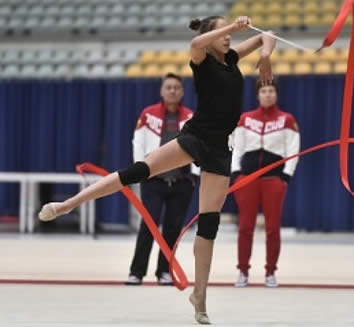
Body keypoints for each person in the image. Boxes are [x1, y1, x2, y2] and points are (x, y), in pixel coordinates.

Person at [39, 15, 276, 325]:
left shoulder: (231, 59)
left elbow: (267, 35)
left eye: (229, 31)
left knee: (209, 223)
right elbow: (194, 43)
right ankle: (67, 205)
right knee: (138, 170)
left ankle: (200, 294)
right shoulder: (201, 59)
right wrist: (233, 27)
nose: (229, 36)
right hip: (196, 136)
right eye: (221, 31)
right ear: (211, 35)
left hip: (220, 147)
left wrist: (267, 55)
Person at [126, 73, 198, 286]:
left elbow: (197, 145)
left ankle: (164, 271)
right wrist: (139, 168)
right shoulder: (148, 115)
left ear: (183, 92)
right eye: (169, 87)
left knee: (173, 228)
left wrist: (194, 172)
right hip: (154, 180)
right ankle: (136, 272)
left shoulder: (190, 117)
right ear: (161, 91)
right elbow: (137, 142)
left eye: (177, 87)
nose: (173, 91)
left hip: (182, 181)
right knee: (148, 226)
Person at [231, 78, 300, 288]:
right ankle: (242, 271)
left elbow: (293, 149)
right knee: (245, 227)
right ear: (257, 95)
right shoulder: (245, 119)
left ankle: (270, 272)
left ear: (276, 94)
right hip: (247, 179)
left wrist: (286, 176)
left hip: (274, 180)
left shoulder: (287, 120)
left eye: (271, 91)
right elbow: (237, 147)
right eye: (264, 91)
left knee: (272, 228)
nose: (268, 94)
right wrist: (236, 173)